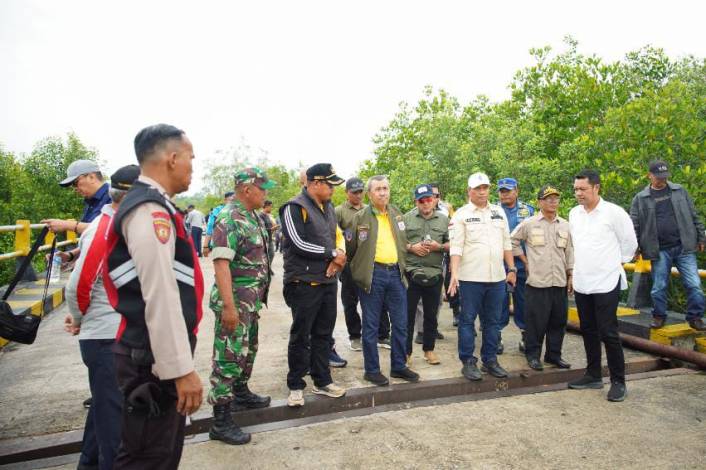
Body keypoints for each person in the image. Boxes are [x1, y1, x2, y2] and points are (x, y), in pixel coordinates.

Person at [103, 124, 204, 468]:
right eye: (191, 158)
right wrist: (180, 370)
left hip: (151, 356)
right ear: (173, 158)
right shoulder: (150, 210)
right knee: (148, 458)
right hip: (151, 362)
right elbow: (160, 294)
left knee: (158, 453)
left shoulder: (157, 206)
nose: (193, 166)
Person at [64, 165, 140, 470]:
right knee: (114, 425)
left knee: (104, 409)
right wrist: (78, 317)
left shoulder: (121, 225)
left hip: (112, 334)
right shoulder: (106, 227)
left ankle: (89, 463)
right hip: (105, 337)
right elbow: (78, 285)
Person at [207, 167, 275, 445]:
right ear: (247, 189)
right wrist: (229, 307)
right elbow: (221, 263)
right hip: (234, 302)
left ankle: (241, 394)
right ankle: (220, 421)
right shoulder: (229, 218)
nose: (266, 193)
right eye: (263, 188)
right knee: (228, 357)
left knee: (248, 350)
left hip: (251, 301)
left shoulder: (254, 216)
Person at [280, 163, 348, 407]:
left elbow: (336, 236)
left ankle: (323, 381)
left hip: (327, 281)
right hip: (304, 283)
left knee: (323, 334)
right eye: (330, 184)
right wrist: (332, 253)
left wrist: (339, 256)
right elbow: (298, 243)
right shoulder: (293, 207)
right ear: (315, 183)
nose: (332, 189)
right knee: (301, 335)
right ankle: (296, 384)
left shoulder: (327, 207)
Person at [568, 169, 637, 402]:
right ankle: (593, 374)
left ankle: (618, 381)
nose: (579, 193)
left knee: (608, 331)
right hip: (583, 280)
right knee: (587, 329)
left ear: (596, 187)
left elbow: (630, 244)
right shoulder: (574, 214)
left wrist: (614, 263)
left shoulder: (613, 213)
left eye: (583, 189)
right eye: (576, 189)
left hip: (607, 280)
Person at [347, 175, 419, 386]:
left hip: (396, 274)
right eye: (378, 189)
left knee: (400, 323)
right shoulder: (360, 218)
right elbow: (351, 249)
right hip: (373, 275)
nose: (383, 193)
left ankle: (398, 366)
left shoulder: (396, 214)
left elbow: (403, 242)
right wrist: (359, 272)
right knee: (370, 325)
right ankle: (372, 370)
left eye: (385, 188)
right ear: (370, 194)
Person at [447, 172, 517, 381]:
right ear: (469, 191)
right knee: (467, 321)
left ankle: (490, 360)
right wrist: (454, 275)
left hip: (496, 278)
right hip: (470, 279)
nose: (482, 191)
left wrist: (511, 269)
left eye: (485, 187)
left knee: (493, 322)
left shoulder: (498, 212)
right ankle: (468, 362)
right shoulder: (460, 215)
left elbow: (507, 243)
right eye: (477, 188)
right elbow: (456, 248)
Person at [629, 160, 706, 331]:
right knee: (659, 286)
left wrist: (701, 238)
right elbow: (634, 225)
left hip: (684, 246)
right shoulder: (640, 199)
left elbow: (694, 215)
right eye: (658, 177)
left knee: (694, 284)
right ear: (649, 175)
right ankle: (659, 316)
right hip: (659, 249)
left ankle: (695, 317)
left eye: (664, 176)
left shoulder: (679, 191)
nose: (662, 180)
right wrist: (635, 248)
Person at [511, 185, 574, 371]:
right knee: (536, 323)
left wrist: (571, 274)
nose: (553, 202)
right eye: (548, 198)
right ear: (539, 202)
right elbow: (511, 241)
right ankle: (533, 356)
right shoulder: (529, 224)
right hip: (538, 283)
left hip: (559, 282)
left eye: (556, 198)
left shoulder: (565, 225)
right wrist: (524, 260)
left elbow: (570, 251)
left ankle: (554, 355)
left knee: (558, 322)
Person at [335, 177, 391, 351]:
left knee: (378, 300)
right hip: (350, 264)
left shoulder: (370, 210)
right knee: (350, 301)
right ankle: (355, 336)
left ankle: (382, 335)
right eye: (354, 192)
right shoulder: (339, 211)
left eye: (361, 192)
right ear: (347, 193)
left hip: (370, 264)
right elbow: (334, 237)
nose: (358, 195)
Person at [404, 184, 449, 365]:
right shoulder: (405, 219)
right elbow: (398, 242)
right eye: (421, 200)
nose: (425, 204)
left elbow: (454, 244)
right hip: (411, 273)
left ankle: (429, 350)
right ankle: (406, 353)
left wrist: (439, 247)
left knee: (431, 316)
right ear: (416, 201)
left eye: (429, 199)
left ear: (435, 200)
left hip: (434, 274)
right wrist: (411, 247)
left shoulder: (445, 220)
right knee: (407, 316)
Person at [497, 177, 535, 354]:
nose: (504, 194)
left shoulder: (528, 210)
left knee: (524, 302)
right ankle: (495, 337)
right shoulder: (493, 211)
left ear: (516, 191)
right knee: (497, 302)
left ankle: (526, 336)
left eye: (508, 190)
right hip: (498, 265)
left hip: (522, 264)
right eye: (501, 191)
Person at [42, 159, 111, 235]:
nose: (74, 189)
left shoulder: (115, 196)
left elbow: (110, 229)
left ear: (92, 177)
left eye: (75, 183)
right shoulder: (91, 201)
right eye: (72, 185)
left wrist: (67, 225)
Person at [203, 192, 235, 257]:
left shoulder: (239, 211)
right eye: (230, 200)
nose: (232, 203)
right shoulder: (217, 211)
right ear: (225, 200)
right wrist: (205, 246)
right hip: (220, 244)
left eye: (234, 200)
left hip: (235, 245)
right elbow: (210, 227)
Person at [259, 200, 278, 265]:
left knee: (271, 254)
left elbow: (271, 225)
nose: (271, 208)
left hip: (269, 238)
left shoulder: (267, 215)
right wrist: (271, 229)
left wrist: (274, 228)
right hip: (264, 240)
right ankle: (267, 269)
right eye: (270, 206)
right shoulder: (260, 215)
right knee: (266, 256)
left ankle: (268, 268)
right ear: (266, 206)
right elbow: (261, 229)